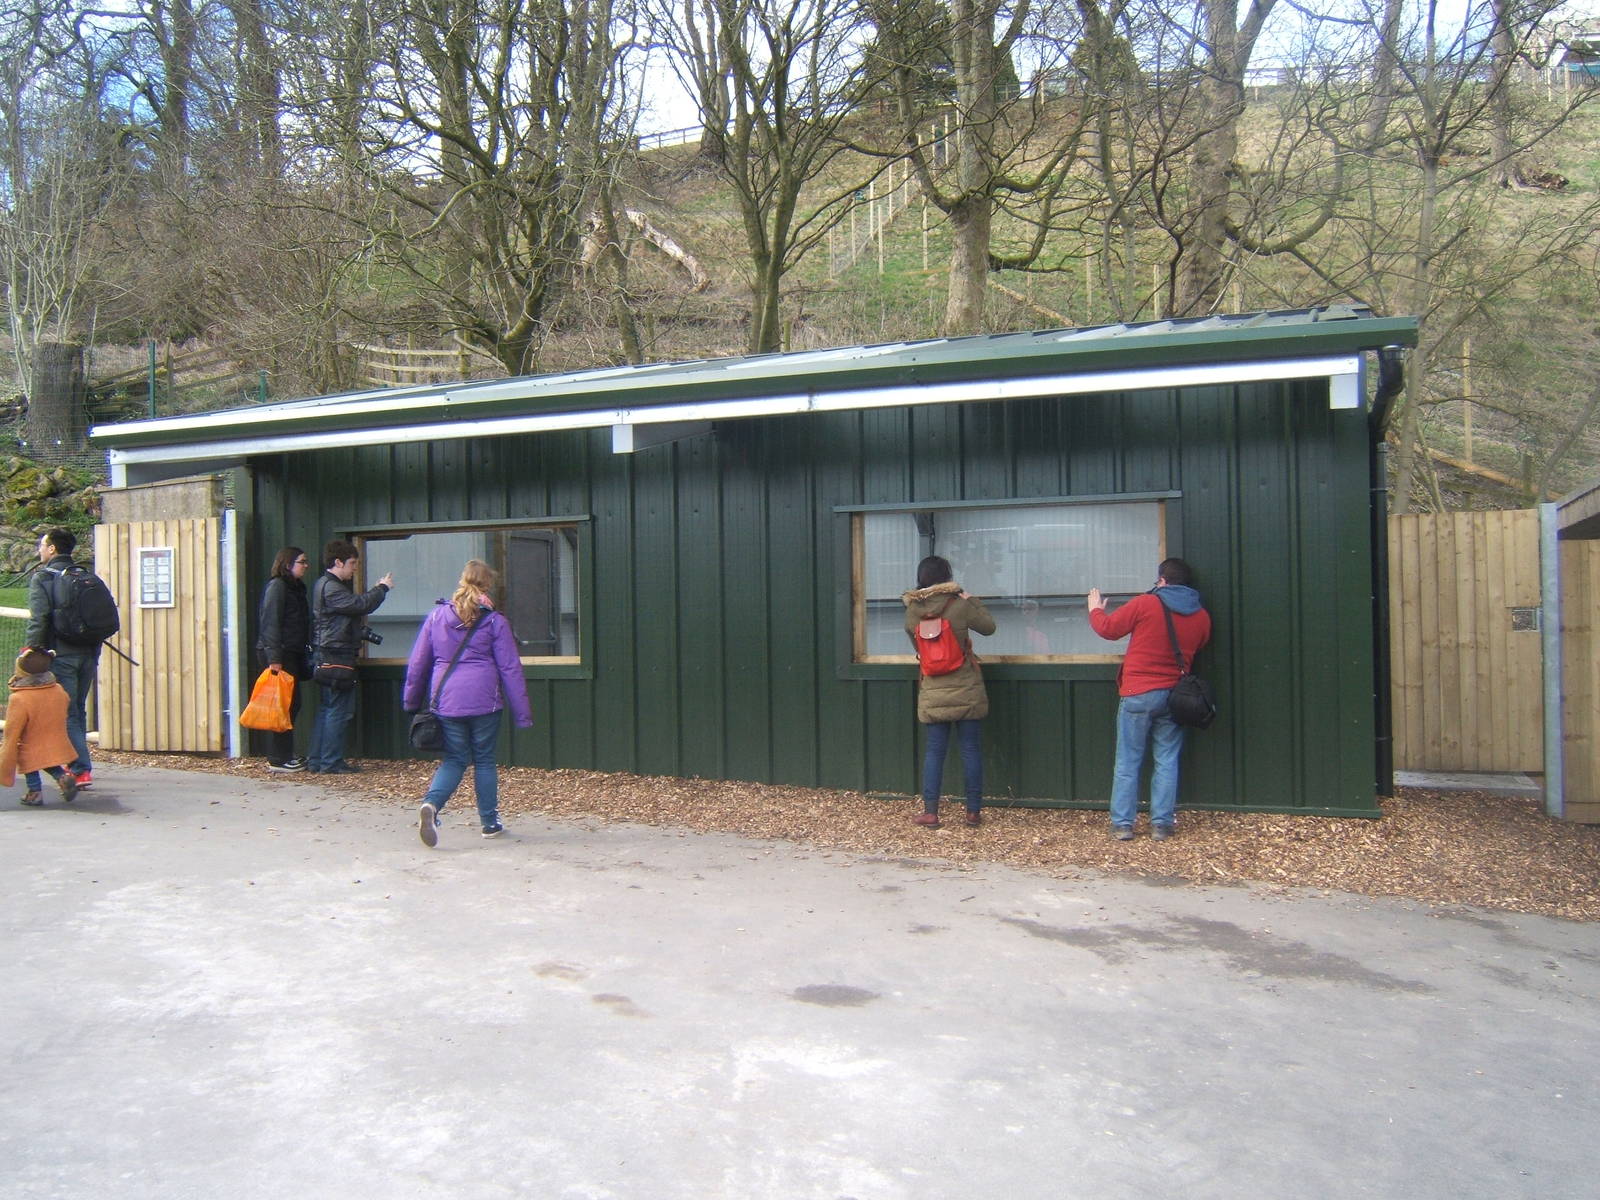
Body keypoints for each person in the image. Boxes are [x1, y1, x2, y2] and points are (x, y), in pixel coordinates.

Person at [403, 559, 533, 845]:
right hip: (485, 700)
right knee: (484, 759)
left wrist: (411, 701)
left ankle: (431, 805)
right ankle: (489, 823)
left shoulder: (437, 617)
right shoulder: (495, 621)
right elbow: (510, 668)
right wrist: (522, 713)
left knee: (455, 758)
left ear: (462, 580)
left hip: (447, 699)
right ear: (488, 585)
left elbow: (418, 663)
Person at [1087, 557, 1212, 842]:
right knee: (1167, 759)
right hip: (1175, 696)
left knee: (1128, 762)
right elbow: (1201, 643)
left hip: (1138, 692)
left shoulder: (1146, 603)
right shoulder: (1201, 616)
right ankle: (1162, 824)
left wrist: (1095, 610)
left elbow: (1109, 629)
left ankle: (1123, 824)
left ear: (1162, 580)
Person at [902, 555, 995, 829]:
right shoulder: (959, 605)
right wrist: (972, 600)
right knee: (970, 750)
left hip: (934, 689)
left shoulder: (912, 612)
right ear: (947, 576)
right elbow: (989, 627)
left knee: (934, 752)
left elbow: (920, 649)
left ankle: (931, 813)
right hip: (966, 687)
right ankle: (973, 812)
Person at [307, 539, 393, 775]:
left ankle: (317, 760)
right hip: (337, 655)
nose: (355, 568)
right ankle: (330, 761)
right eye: (352, 563)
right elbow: (360, 604)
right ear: (338, 562)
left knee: (328, 708)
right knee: (337, 710)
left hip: (329, 654)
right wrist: (382, 588)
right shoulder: (332, 587)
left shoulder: (325, 585)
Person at [25, 528, 97, 789]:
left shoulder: (44, 578)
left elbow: (39, 617)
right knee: (77, 708)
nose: (40, 550)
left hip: (61, 654)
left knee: (68, 713)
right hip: (88, 652)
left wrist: (32, 649)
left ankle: (80, 769)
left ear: (52, 548)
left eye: (42, 545)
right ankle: (78, 764)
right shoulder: (84, 575)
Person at [255, 546, 313, 772]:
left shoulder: (295, 588)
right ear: (288, 564)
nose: (306, 566)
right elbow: (270, 622)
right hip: (280, 653)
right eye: (302, 561)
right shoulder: (278, 586)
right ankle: (278, 758)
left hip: (291, 652)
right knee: (283, 705)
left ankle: (284, 754)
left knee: (291, 704)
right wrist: (274, 658)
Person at [1, 648, 80, 806]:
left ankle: (34, 792)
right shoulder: (57, 689)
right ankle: (62, 777)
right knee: (46, 759)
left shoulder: (20, 697)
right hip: (54, 734)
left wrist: (8, 745)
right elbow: (65, 701)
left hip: (30, 738)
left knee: (28, 760)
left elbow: (13, 726)